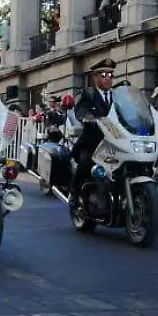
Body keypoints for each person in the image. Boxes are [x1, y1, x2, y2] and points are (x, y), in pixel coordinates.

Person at [69, 58, 117, 206]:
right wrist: (87, 117)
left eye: (110, 75)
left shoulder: (117, 96)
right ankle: (74, 193)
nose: (107, 78)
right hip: (93, 142)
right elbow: (80, 109)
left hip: (116, 142)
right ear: (94, 77)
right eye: (103, 75)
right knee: (85, 162)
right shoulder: (88, 94)